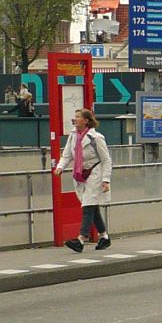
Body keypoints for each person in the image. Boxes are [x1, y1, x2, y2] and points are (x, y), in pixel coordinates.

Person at [53, 108, 113, 252]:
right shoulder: (73, 136)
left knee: (87, 206)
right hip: (80, 174)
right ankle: (104, 237)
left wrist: (106, 180)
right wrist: (60, 167)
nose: (75, 119)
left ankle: (81, 239)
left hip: (95, 173)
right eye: (75, 116)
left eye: (78, 116)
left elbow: (106, 160)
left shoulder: (96, 138)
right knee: (92, 205)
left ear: (86, 121)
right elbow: (67, 154)